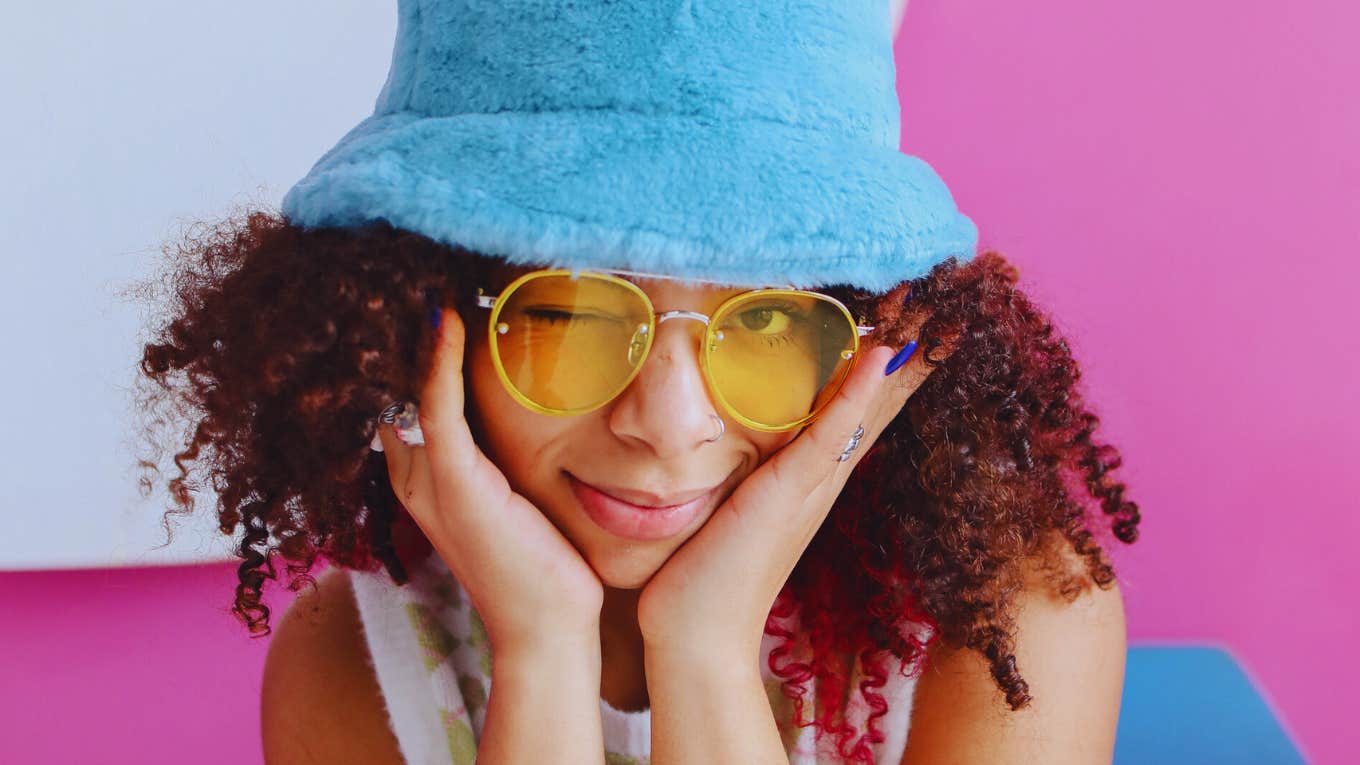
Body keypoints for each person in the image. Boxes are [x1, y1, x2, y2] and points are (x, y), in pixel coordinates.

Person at [135, 1, 1137, 763]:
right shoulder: (354, 660)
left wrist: (703, 649)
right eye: (566, 318)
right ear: (412, 326)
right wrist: (541, 653)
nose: (669, 423)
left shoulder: (1011, 623)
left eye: (772, 324)